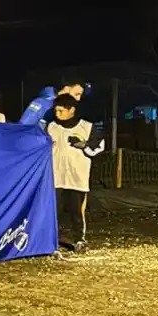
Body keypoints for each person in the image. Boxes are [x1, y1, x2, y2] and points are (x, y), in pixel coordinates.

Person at [47, 94, 105, 253]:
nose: (57, 114)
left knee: (77, 212)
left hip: (77, 177)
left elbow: (99, 147)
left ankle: (80, 239)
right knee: (53, 211)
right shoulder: (51, 126)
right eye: (56, 110)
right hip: (56, 177)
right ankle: (50, 241)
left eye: (60, 110)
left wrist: (84, 145)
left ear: (71, 110)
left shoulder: (86, 126)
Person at [20, 79, 86, 127]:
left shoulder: (69, 108)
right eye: (77, 94)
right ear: (66, 89)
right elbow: (24, 126)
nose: (78, 99)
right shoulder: (42, 103)